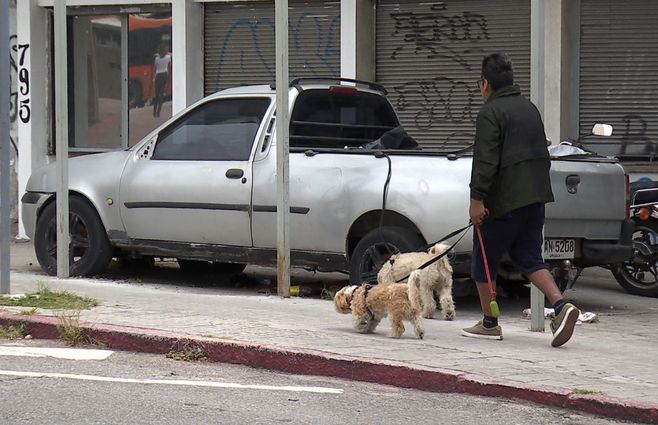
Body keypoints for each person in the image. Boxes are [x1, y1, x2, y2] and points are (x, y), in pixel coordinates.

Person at [462, 53, 580, 347]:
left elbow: (485, 161)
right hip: (535, 199)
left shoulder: (490, 112)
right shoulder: (530, 108)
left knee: (483, 262)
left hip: (503, 203)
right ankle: (561, 305)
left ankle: (490, 322)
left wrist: (477, 200)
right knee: (528, 258)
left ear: (485, 84)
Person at [152, 44, 172, 118]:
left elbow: (155, 68)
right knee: (161, 95)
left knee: (156, 95)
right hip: (164, 75)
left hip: (158, 76)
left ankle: (154, 111)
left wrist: (154, 78)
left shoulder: (156, 58)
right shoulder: (168, 57)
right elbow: (169, 67)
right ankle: (158, 112)